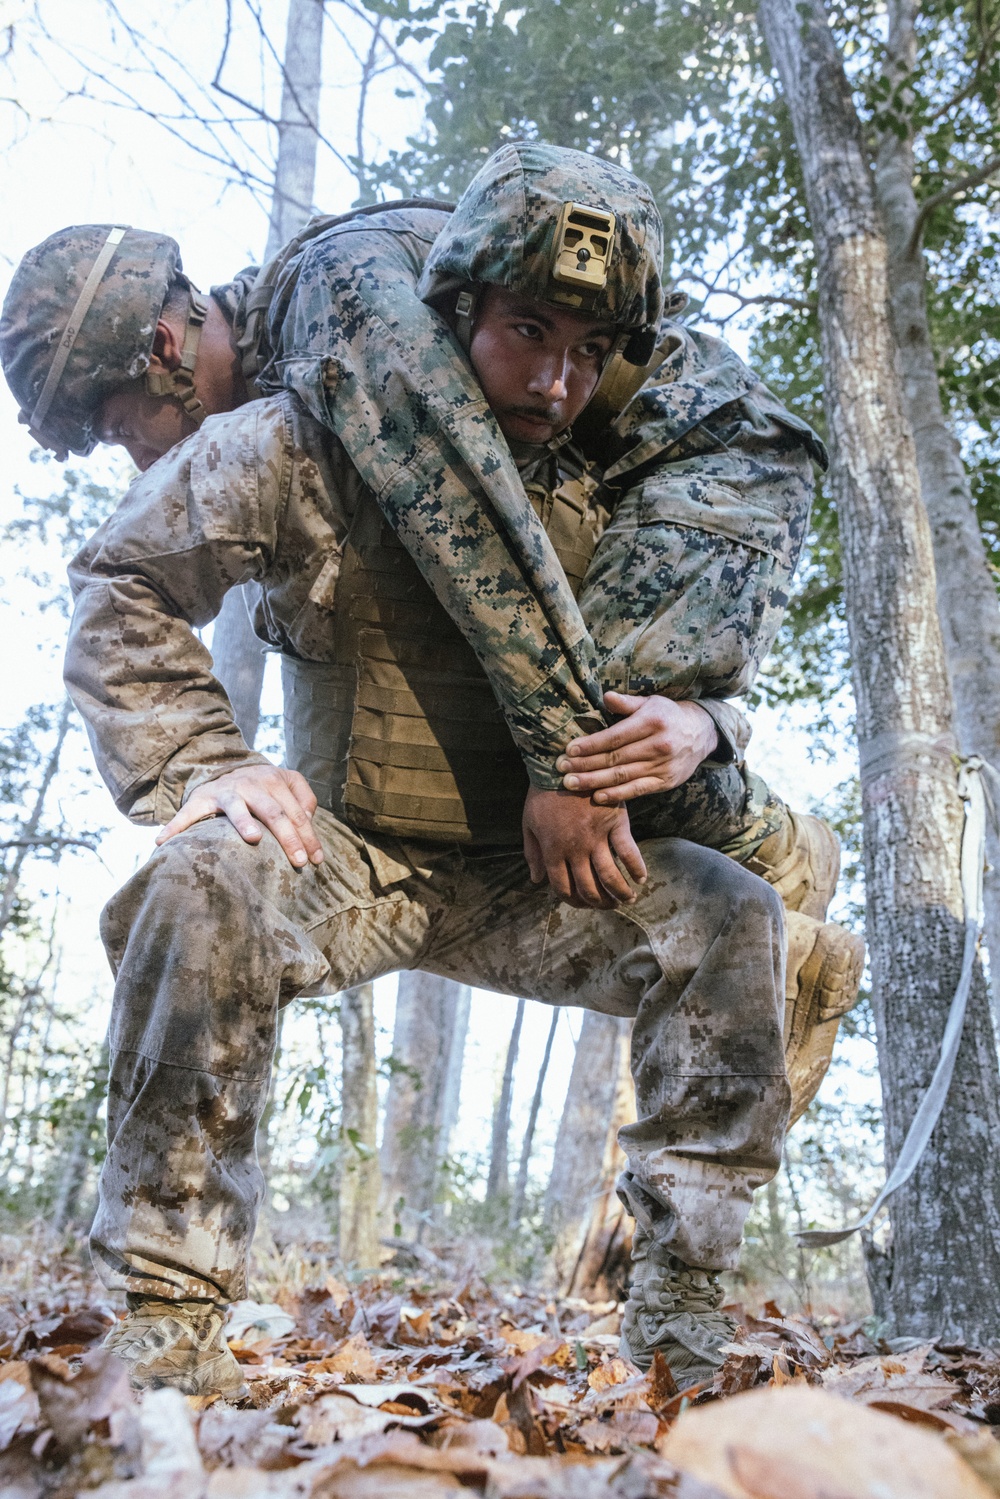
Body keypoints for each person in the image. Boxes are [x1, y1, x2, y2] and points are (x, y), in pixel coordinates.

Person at [0, 144, 857, 1392]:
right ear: (453, 313)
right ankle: (165, 1319)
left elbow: (689, 640)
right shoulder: (301, 438)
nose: (553, 375)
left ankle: (677, 1316)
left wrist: (708, 725)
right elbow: (119, 579)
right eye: (522, 333)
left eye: (579, 349)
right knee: (199, 881)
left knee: (735, 913)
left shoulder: (621, 468)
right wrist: (200, 760)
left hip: (536, 878)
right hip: (350, 860)